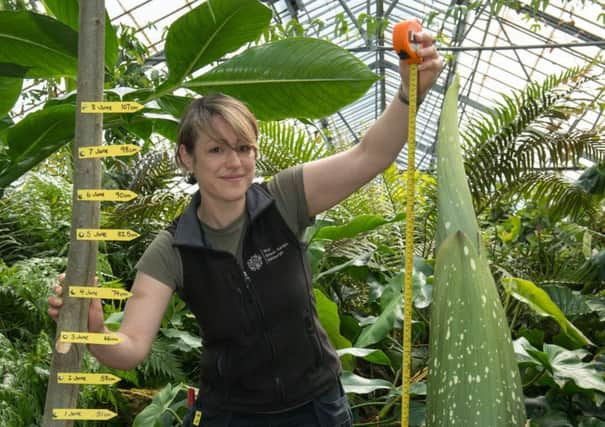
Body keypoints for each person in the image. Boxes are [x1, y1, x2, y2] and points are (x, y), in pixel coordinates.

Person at [48, 27, 442, 427]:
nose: (234, 162)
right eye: (216, 149)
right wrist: (95, 329)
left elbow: (369, 156)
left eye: (243, 148)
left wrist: (411, 92)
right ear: (187, 157)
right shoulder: (172, 251)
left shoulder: (284, 199)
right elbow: (131, 347)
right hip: (233, 415)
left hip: (316, 407)